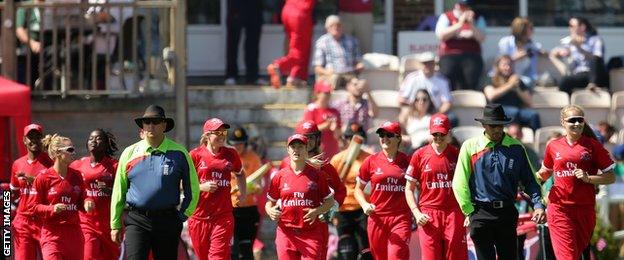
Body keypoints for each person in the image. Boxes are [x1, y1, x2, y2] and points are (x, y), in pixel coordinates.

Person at [452, 103, 545, 260]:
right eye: (492, 125)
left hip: (507, 213)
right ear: (483, 125)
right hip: (480, 214)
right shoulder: (470, 147)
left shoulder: (516, 148)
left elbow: (530, 181)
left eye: (499, 125)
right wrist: (469, 211)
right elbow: (459, 183)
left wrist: (538, 205)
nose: (496, 129)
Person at [110, 104, 199, 259]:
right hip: (137, 220)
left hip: (168, 221)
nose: (151, 126)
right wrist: (115, 224)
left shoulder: (179, 153)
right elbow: (119, 190)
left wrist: (182, 216)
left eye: (156, 122)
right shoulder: (129, 153)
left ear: (164, 125)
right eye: (147, 122)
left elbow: (193, 188)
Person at [536, 105, 616, 260]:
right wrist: (529, 181)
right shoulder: (553, 146)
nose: (577, 123)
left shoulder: (593, 146)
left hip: (585, 210)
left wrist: (589, 178)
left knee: (576, 255)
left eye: (580, 120)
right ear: (562, 122)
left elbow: (611, 177)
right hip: (559, 209)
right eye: (572, 120)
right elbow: (544, 172)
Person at [279, 120, 347, 259]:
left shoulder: (325, 166)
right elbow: (277, 190)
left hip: (316, 226)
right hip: (289, 227)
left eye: (311, 137)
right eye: (305, 137)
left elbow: (340, 190)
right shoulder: (286, 163)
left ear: (318, 139)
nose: (308, 141)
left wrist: (332, 207)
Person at [405, 113, 467, 260]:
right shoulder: (419, 155)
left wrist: (467, 211)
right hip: (428, 214)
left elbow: (467, 185)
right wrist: (416, 213)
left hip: (453, 212)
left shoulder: (457, 154)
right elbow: (408, 188)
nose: (438, 137)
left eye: (442, 134)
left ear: (449, 133)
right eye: (435, 134)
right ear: (430, 132)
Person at [266, 134, 335, 259]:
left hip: (310, 233)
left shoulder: (318, 175)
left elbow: (330, 201)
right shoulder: (279, 176)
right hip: (286, 233)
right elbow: (269, 202)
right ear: (288, 150)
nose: (296, 150)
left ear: (306, 148)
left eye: (300, 147)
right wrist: (270, 211)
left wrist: (316, 211)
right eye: (293, 147)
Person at [188, 118, 246, 260]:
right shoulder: (194, 155)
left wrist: (243, 194)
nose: (222, 136)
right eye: (217, 132)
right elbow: (182, 183)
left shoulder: (231, 154)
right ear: (207, 135)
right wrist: (201, 187)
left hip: (223, 216)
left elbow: (240, 174)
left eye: (223, 132)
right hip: (198, 218)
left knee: (217, 257)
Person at [354, 121, 412, 259]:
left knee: (395, 255)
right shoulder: (370, 161)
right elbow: (358, 189)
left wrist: (416, 210)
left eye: (389, 135)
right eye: (381, 134)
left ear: (398, 138)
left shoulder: (408, 161)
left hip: (401, 218)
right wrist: (364, 204)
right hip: (377, 218)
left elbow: (418, 187)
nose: (384, 138)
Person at [33, 134, 85, 260]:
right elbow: (34, 207)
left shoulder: (77, 175)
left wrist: (88, 202)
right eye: (70, 150)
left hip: (74, 235)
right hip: (52, 235)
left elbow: (82, 202)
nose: (74, 153)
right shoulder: (43, 177)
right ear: (57, 153)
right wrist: (52, 209)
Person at [70, 129, 120, 260]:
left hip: (109, 225)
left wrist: (110, 191)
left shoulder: (115, 166)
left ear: (106, 144)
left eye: (98, 139)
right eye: (91, 138)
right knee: (88, 256)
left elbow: (124, 191)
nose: (94, 141)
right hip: (86, 223)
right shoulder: (77, 165)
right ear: (87, 144)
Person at [330, 123, 372, 260]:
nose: (352, 141)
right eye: (349, 138)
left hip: (362, 208)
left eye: (357, 138)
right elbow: (329, 187)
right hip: (342, 209)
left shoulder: (369, 159)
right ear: (345, 139)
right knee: (347, 252)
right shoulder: (337, 159)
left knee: (366, 250)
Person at [10, 124, 53, 260]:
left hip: (44, 220)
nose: (34, 140)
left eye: (37, 137)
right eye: (30, 137)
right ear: (24, 140)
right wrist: (8, 218)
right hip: (23, 221)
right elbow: (13, 192)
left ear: (42, 139)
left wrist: (34, 180)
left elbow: (57, 188)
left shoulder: (51, 162)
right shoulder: (17, 164)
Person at [227, 125, 263, 259]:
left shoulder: (253, 158)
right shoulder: (225, 158)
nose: (238, 147)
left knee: (247, 251)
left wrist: (254, 188)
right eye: (235, 144)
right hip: (230, 210)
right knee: (233, 251)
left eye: (241, 144)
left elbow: (259, 185)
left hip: (248, 210)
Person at [435, 0, 486, 91]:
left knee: (471, 76)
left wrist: (471, 25)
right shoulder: (446, 16)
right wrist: (460, 24)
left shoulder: (478, 18)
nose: (461, 8)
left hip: (471, 54)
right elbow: (441, 35)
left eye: (465, 6)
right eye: (460, 5)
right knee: (448, 75)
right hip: (449, 54)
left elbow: (482, 38)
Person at [551, 16, 608, 94]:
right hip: (582, 75)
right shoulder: (571, 42)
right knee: (565, 81)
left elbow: (597, 58)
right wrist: (558, 52)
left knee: (595, 58)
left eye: (572, 26)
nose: (570, 28)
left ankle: (592, 84)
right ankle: (569, 104)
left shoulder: (595, 39)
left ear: (582, 27)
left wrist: (579, 47)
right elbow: (556, 52)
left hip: (595, 74)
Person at [483, 55, 541, 130]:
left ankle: (536, 138)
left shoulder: (517, 81)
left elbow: (529, 101)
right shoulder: (491, 79)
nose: (508, 67)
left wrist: (517, 87)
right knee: (514, 112)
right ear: (498, 66)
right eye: (504, 65)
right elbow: (491, 95)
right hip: (498, 112)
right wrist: (510, 85)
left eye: (510, 65)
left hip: (517, 110)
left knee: (533, 115)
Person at [267, 0, 316, 88]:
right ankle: (278, 66)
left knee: (297, 47)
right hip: (300, 13)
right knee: (300, 52)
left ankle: (295, 78)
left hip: (288, 10)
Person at [313, 15, 364, 89]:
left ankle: (356, 99)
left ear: (342, 27)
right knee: (335, 78)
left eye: (338, 25)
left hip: (349, 74)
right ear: (327, 28)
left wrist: (359, 65)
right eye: (332, 26)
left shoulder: (352, 41)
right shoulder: (322, 42)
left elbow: (357, 61)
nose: (335, 28)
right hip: (331, 75)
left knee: (361, 85)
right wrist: (327, 72)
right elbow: (317, 68)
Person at [398, 52, 454, 120]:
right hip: (414, 112)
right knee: (403, 115)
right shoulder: (412, 78)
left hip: (435, 112)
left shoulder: (442, 81)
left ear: (434, 64)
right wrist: (415, 107)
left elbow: (447, 103)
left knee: (452, 118)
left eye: (430, 63)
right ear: (420, 64)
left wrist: (437, 113)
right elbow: (401, 99)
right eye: (425, 63)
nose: (427, 66)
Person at [224, 0, 265, 85]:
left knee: (253, 41)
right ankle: (231, 75)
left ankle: (253, 76)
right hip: (236, 4)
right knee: (233, 40)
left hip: (254, 5)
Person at [498, 17, 545, 89]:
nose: (532, 31)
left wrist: (555, 52)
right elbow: (502, 63)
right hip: (503, 76)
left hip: (520, 78)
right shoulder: (505, 42)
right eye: (530, 28)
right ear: (521, 30)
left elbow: (542, 51)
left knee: (527, 82)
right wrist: (517, 57)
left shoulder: (530, 45)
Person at [303, 81, 342, 159]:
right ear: (317, 93)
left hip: (332, 151)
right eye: (325, 93)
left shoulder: (334, 111)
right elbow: (306, 131)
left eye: (329, 93)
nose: (328, 95)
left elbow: (339, 134)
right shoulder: (311, 109)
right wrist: (325, 126)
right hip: (316, 152)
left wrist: (335, 129)